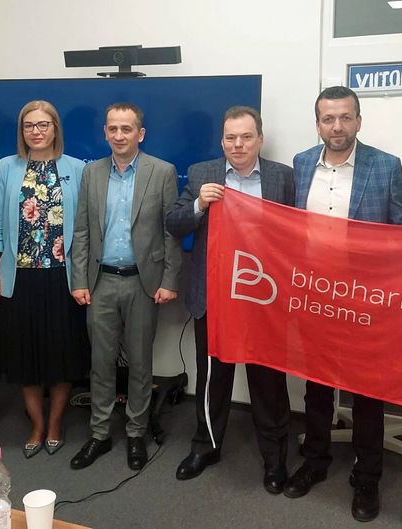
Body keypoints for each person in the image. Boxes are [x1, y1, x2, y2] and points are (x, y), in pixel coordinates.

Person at [284, 86, 402, 522]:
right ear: (317, 123)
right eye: (328, 118)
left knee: (366, 391)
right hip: (315, 296)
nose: (337, 126)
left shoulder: (385, 165)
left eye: (345, 117)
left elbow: (401, 228)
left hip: (364, 299)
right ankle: (315, 461)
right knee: (317, 385)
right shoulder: (302, 163)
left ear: (359, 120)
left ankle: (367, 476)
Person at [165, 106, 294, 493]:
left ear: (260, 139)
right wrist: (198, 206)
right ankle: (205, 446)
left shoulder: (282, 177)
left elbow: (297, 232)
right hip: (214, 297)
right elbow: (173, 223)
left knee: (268, 382)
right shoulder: (202, 174)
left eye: (246, 137)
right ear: (222, 142)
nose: (238, 144)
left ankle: (274, 458)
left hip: (263, 297)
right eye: (230, 138)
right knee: (212, 379)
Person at [69, 102, 181, 471]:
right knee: (100, 363)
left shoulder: (161, 172)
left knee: (140, 363)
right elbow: (82, 230)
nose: (119, 135)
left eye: (127, 129)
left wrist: (169, 280)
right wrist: (79, 279)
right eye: (113, 129)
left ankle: (136, 433)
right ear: (105, 132)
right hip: (100, 282)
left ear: (140, 134)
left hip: (142, 283)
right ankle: (100, 434)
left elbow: (170, 232)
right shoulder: (92, 173)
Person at [0, 100, 89, 458]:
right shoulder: (7, 167)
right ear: (22, 131)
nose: (36, 131)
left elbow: (85, 228)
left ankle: (56, 423)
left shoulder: (76, 168)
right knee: (24, 359)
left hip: (62, 278)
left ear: (55, 128)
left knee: (62, 357)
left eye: (43, 125)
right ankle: (37, 425)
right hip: (20, 278)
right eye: (29, 125)